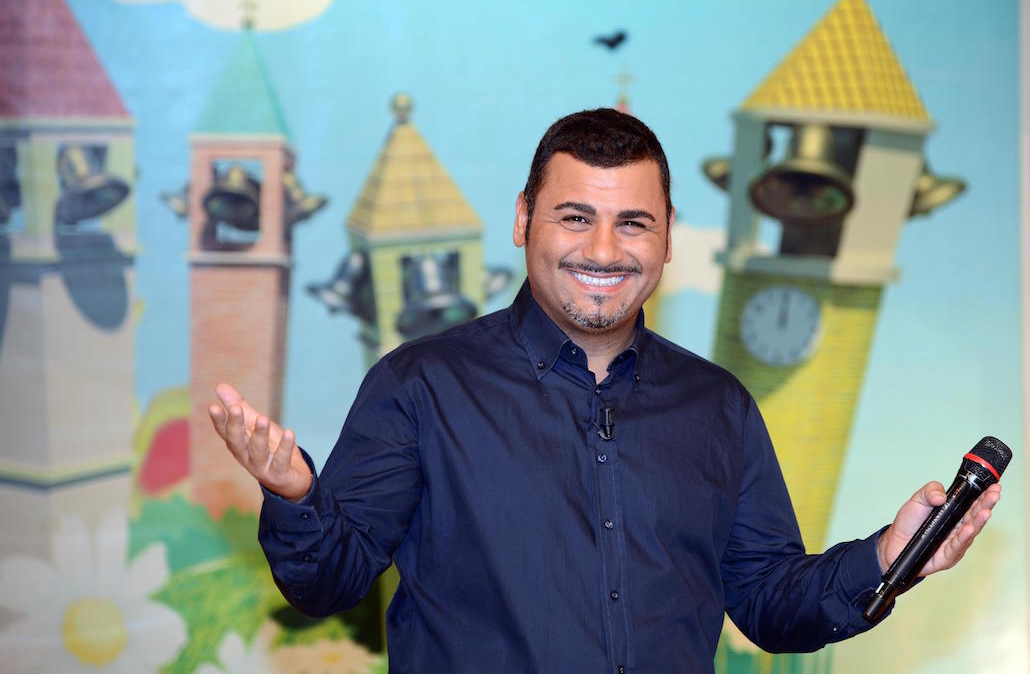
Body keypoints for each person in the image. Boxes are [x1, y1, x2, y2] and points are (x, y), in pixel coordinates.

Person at [208, 109, 1001, 673]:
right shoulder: (423, 385)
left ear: (667, 234)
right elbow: (327, 580)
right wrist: (297, 495)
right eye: (575, 216)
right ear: (523, 219)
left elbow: (768, 602)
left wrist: (887, 557)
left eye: (633, 223)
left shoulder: (718, 405)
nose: (602, 249)